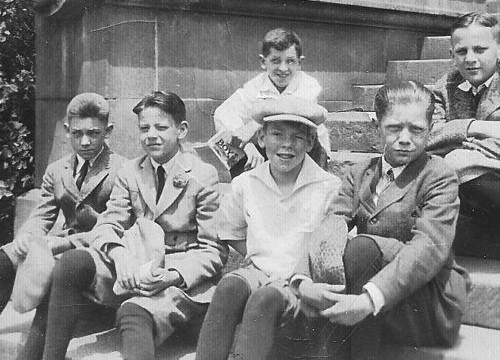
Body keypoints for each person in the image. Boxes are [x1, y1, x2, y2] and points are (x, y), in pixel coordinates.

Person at [39, 91, 227, 360]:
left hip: (180, 277)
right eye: (144, 128)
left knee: (134, 311)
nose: (151, 135)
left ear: (181, 130)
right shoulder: (131, 171)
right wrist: (118, 253)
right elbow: (108, 224)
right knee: (71, 263)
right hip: (134, 264)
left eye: (161, 127)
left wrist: (172, 274)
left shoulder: (202, 175)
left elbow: (214, 252)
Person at [294, 81, 470, 360]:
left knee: (361, 248)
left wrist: (369, 299)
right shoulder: (359, 173)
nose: (404, 138)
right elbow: (329, 225)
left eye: (416, 129)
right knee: (343, 251)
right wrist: (302, 281)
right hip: (365, 294)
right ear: (378, 128)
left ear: (430, 130)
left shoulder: (439, 175)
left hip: (425, 302)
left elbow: (429, 247)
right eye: (394, 128)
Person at [196, 96, 342, 360]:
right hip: (260, 271)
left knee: (264, 299)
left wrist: (293, 276)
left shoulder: (328, 187)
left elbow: (330, 246)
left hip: (300, 284)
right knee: (229, 288)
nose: (286, 145)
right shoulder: (246, 183)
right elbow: (231, 231)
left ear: (310, 143)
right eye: (277, 134)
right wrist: (261, 256)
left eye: (298, 137)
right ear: (261, 139)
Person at [4, 92, 126, 360]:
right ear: (67, 131)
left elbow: (113, 226)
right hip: (58, 250)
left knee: (60, 270)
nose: (85, 141)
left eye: (94, 133)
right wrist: (27, 236)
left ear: (108, 131)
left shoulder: (122, 171)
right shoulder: (57, 170)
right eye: (78, 133)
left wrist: (61, 243)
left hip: (98, 255)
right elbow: (42, 215)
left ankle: (33, 355)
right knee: (4, 258)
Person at [428, 12, 500, 257]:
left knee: (457, 160)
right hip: (472, 184)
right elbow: (428, 138)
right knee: (449, 164)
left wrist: (460, 144)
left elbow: (443, 139)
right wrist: (474, 127)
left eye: (480, 50)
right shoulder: (444, 89)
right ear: (451, 55)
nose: (470, 59)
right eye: (462, 51)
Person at [214, 28, 331, 176]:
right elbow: (222, 114)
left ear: (300, 63)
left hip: (305, 150)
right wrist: (246, 145)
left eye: (290, 61)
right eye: (275, 61)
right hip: (270, 148)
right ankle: (247, 190)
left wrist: (255, 123)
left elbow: (294, 108)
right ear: (263, 62)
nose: (283, 68)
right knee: (226, 142)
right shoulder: (254, 86)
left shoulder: (308, 84)